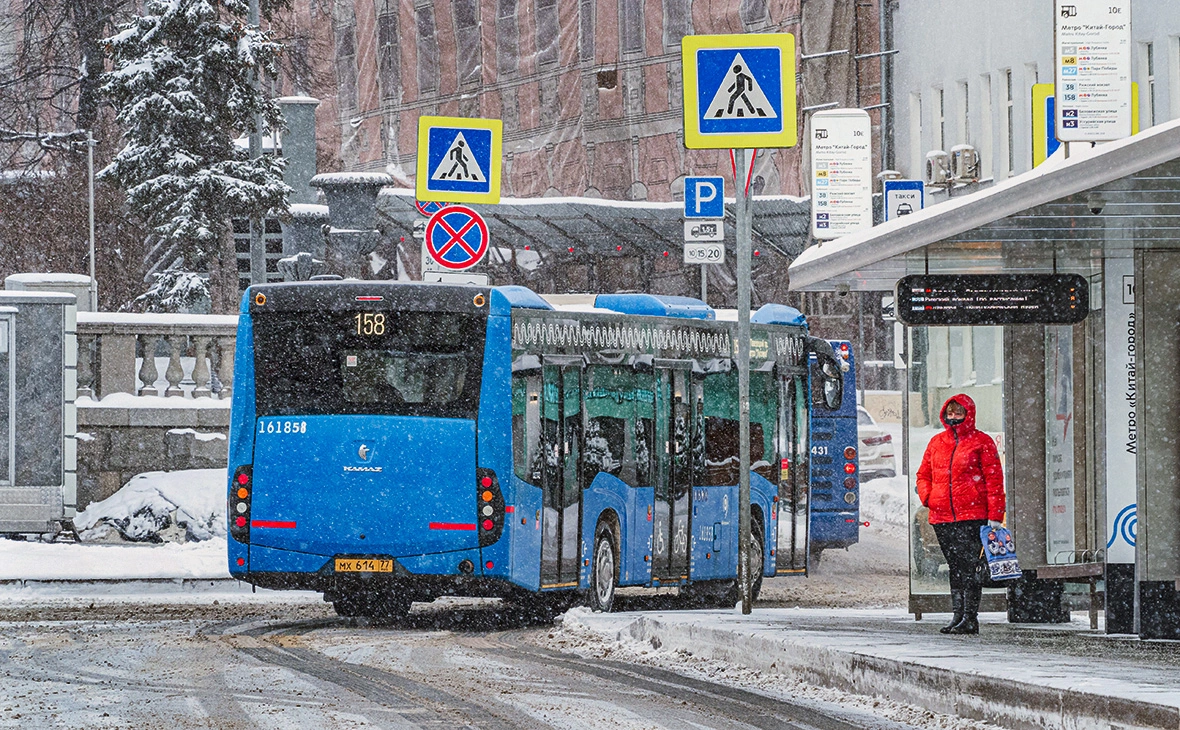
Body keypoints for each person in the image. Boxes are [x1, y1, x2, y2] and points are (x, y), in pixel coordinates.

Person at [916, 394, 1005, 635]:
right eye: (950, 413)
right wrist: (928, 498)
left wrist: (995, 514)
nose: (954, 417)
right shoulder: (936, 443)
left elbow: (994, 481)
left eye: (959, 413)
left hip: (972, 516)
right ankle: (958, 615)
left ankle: (970, 617)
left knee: (969, 567)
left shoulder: (982, 442)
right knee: (954, 567)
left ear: (969, 414)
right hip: (942, 517)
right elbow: (923, 475)